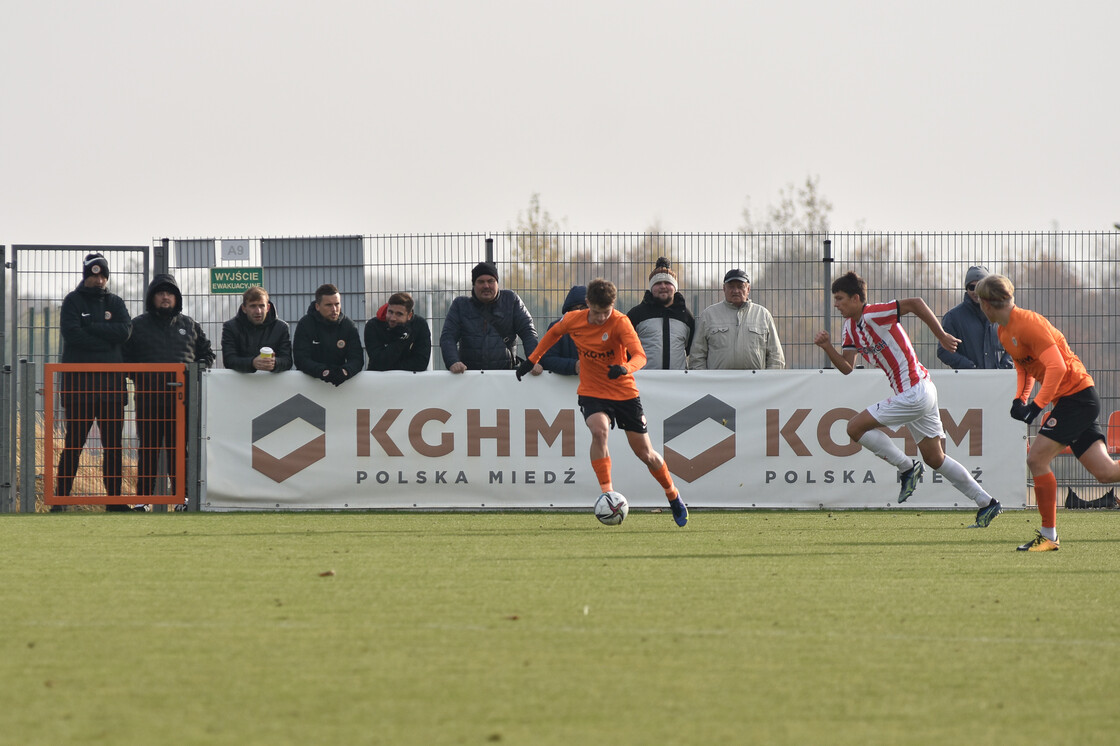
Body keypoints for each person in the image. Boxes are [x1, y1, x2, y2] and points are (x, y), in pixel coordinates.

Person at [813, 271, 1003, 528]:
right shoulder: (850, 327)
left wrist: (942, 336)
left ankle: (905, 468)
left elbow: (915, 303)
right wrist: (827, 348)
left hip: (915, 391)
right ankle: (987, 502)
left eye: (840, 298)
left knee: (853, 427)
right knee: (935, 459)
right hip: (919, 391)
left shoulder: (872, 314)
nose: (836, 304)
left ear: (856, 298)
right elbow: (847, 367)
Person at [515, 278, 688, 527]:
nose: (600, 318)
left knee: (645, 453)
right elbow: (552, 334)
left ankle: (673, 495)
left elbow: (640, 356)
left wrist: (625, 368)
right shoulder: (574, 320)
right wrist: (532, 360)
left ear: (612, 306)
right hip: (592, 390)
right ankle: (608, 495)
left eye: (605, 312)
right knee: (599, 430)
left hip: (624, 392)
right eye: (596, 312)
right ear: (588, 304)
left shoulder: (620, 322)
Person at [976, 273, 1120, 551]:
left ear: (986, 304)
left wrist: (1037, 406)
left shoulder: (1029, 324)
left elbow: (1057, 367)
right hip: (1073, 400)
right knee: (1106, 472)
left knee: (1036, 459)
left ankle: (1049, 535)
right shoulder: (1003, 331)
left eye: (979, 300)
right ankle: (1049, 535)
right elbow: (1024, 366)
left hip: (1077, 398)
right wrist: (1021, 398)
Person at [124, 273, 215, 508]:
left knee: (180, 452)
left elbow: (207, 355)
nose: (165, 297)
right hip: (148, 400)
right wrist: (140, 377)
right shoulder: (137, 325)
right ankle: (142, 501)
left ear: (177, 298)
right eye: (160, 293)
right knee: (148, 451)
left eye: (170, 293)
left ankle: (182, 499)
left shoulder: (190, 325)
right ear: (151, 297)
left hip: (182, 401)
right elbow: (125, 359)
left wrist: (195, 371)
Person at [55, 253, 133, 512]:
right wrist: (106, 339)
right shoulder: (72, 301)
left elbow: (124, 332)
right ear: (85, 275)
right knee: (73, 444)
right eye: (93, 275)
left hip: (111, 390)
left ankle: (114, 500)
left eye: (102, 275)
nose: (98, 280)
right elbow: (72, 334)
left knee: (113, 447)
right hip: (79, 390)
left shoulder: (116, 302)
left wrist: (92, 327)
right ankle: (61, 499)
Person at [440, 261, 541, 375]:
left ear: (497, 283)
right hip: (469, 377)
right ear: (474, 284)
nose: (486, 286)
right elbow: (448, 337)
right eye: (481, 282)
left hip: (505, 376)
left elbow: (528, 332)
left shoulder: (511, 300)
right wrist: (453, 362)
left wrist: (534, 360)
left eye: (490, 281)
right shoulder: (460, 305)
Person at [689, 268, 785, 370]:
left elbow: (776, 357)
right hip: (719, 384)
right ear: (724, 289)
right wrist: (704, 381)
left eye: (740, 287)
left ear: (748, 289)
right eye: (731, 286)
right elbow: (697, 355)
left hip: (755, 383)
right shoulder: (709, 315)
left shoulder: (763, 315)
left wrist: (769, 382)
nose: (735, 291)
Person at [936, 265, 1013, 370]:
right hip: (968, 381)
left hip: (999, 380)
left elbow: (1015, 343)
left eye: (980, 286)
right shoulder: (953, 318)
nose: (976, 292)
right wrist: (968, 367)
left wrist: (1005, 366)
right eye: (972, 287)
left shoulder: (1003, 314)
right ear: (966, 289)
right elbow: (943, 351)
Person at [626, 257, 694, 370]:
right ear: (651, 288)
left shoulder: (686, 316)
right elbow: (626, 348)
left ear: (675, 287)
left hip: (678, 381)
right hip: (645, 381)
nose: (663, 286)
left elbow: (690, 347)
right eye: (658, 283)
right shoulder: (636, 314)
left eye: (667, 283)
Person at [293, 283, 365, 385]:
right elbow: (301, 359)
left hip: (341, 386)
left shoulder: (348, 326)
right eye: (329, 305)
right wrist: (323, 372)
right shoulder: (305, 324)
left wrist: (345, 372)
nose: (334, 309)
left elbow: (357, 359)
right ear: (317, 306)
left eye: (337, 304)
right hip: (309, 386)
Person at [221, 286, 293, 373]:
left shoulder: (281, 328)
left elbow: (287, 361)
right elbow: (229, 360)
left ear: (268, 307)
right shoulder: (231, 327)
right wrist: (252, 363)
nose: (258, 311)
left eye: (262, 306)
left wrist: (275, 363)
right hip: (241, 384)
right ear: (244, 308)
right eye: (253, 306)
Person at [364, 291, 431, 372]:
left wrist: (388, 366)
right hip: (379, 380)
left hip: (410, 380)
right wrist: (402, 338)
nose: (392, 318)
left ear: (409, 315)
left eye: (399, 314)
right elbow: (379, 362)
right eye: (390, 312)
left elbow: (421, 363)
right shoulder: (373, 326)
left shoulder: (420, 325)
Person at [539, 285, 587, 375]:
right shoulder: (557, 328)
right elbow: (547, 359)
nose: (579, 312)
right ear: (568, 311)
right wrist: (574, 366)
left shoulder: (604, 329)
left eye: (584, 307)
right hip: (562, 386)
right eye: (574, 308)